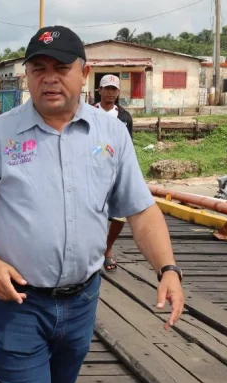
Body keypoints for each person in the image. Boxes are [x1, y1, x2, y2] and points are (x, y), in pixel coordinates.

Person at [0, 25, 185, 383]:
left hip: (82, 301)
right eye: (38, 68)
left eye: (61, 67)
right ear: (27, 76)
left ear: (83, 73)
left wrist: (167, 268)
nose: (49, 77)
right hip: (17, 301)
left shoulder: (111, 135)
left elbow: (141, 209)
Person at [94, 74, 134, 272]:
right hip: (92, 169)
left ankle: (108, 249)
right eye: (106, 88)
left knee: (120, 215)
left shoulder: (125, 117)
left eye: (114, 89)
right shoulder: (87, 112)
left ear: (118, 92)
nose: (110, 93)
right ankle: (91, 251)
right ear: (99, 90)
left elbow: (129, 146)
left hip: (116, 169)